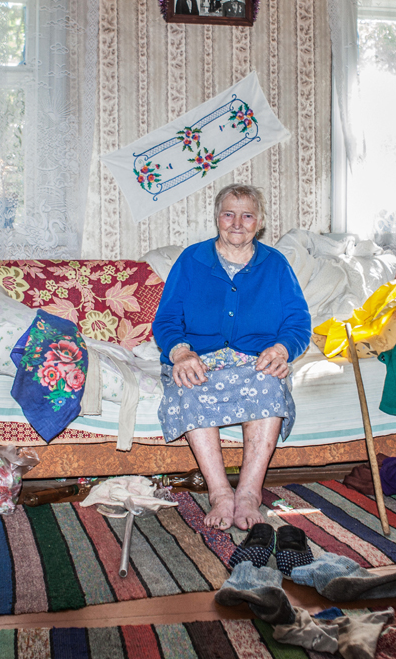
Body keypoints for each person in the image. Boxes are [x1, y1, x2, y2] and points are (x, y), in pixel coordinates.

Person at [152, 184, 311, 531]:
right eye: (229, 214)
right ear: (217, 218)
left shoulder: (275, 264)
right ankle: (221, 493)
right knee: (189, 384)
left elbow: (298, 322)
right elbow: (166, 320)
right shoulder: (191, 260)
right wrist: (180, 352)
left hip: (253, 360)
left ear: (260, 222)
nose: (237, 223)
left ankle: (249, 493)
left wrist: (282, 349)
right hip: (198, 357)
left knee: (269, 381)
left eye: (247, 215)